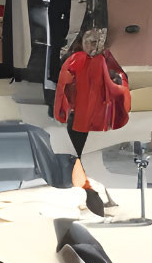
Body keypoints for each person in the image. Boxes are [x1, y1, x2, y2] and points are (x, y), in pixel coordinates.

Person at [52, 25, 130, 169]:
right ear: (82, 42)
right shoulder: (77, 59)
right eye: (90, 41)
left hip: (98, 117)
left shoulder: (105, 59)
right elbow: (64, 85)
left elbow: (118, 82)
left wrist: (116, 83)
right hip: (81, 117)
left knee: (89, 154)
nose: (94, 45)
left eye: (97, 41)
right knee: (78, 151)